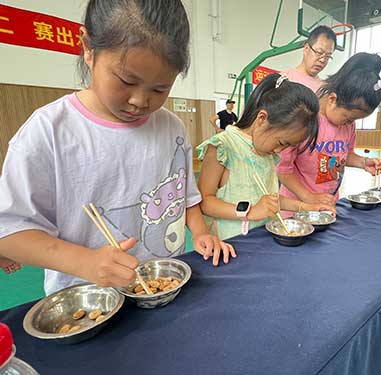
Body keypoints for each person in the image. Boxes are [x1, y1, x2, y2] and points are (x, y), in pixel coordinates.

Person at [0, 0, 235, 296]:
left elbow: (185, 198)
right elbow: (9, 233)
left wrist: (200, 233)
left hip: (162, 289)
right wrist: (86, 262)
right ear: (88, 48)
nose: (140, 100)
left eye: (159, 89)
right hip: (89, 300)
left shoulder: (172, 129)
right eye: (126, 80)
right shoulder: (49, 131)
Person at [196, 74, 335, 240]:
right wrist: (250, 211)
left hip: (262, 241)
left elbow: (271, 200)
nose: (280, 150)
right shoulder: (223, 146)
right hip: (229, 245)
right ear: (262, 119)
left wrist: (306, 207)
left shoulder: (267, 152)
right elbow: (205, 203)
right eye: (281, 142)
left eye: (287, 146)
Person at [277, 53, 381, 207]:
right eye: (348, 118)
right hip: (296, 208)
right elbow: (283, 169)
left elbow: (345, 155)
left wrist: (363, 162)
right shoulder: (304, 120)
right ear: (332, 99)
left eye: (354, 120)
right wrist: (308, 197)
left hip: (327, 204)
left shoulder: (347, 124)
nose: (349, 123)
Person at [283, 25, 337, 93]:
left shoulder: (324, 90)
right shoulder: (285, 79)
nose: (322, 60)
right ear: (306, 49)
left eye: (328, 56)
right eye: (319, 52)